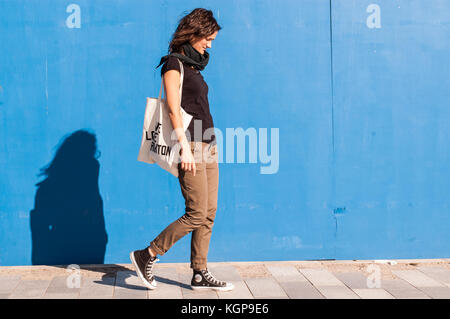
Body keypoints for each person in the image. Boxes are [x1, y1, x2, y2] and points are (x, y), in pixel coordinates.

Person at [130, 8, 234, 292]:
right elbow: (173, 110)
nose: (210, 44)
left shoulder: (193, 66)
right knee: (196, 213)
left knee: (209, 212)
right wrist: (185, 149)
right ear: (195, 32)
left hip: (208, 145)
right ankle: (147, 254)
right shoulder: (173, 64)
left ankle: (199, 272)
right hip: (191, 146)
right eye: (208, 38)